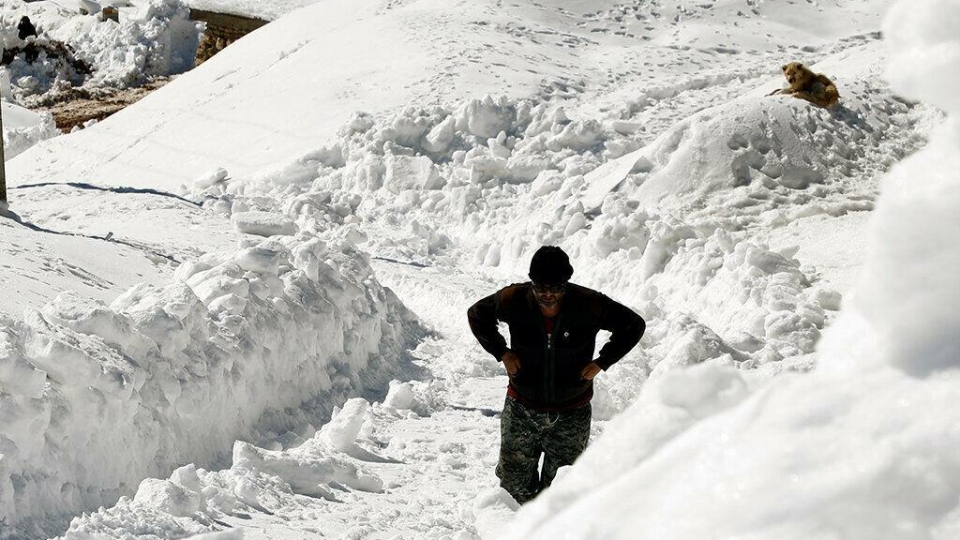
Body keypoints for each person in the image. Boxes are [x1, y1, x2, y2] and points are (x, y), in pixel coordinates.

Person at [467, 245, 645, 503]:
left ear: (566, 283)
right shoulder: (514, 299)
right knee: (514, 490)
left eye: (555, 288)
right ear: (532, 282)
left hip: (571, 413)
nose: (547, 295)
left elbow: (633, 325)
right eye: (540, 287)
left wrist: (602, 362)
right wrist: (502, 352)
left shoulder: (589, 304)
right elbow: (477, 314)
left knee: (560, 495)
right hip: (522, 408)